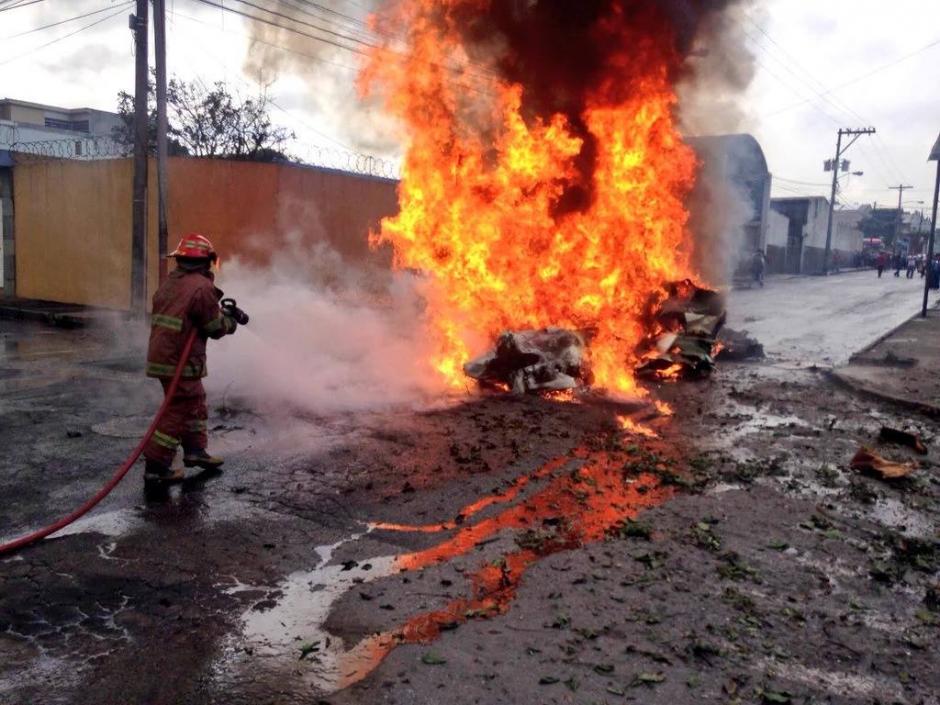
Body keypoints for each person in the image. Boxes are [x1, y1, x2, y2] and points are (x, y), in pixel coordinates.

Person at [142, 233, 239, 486]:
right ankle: (156, 466)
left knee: (194, 402)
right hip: (179, 361)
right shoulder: (201, 287)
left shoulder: (171, 282)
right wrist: (231, 322)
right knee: (177, 411)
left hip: (164, 355)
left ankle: (196, 451)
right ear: (206, 261)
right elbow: (215, 327)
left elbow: (188, 314)